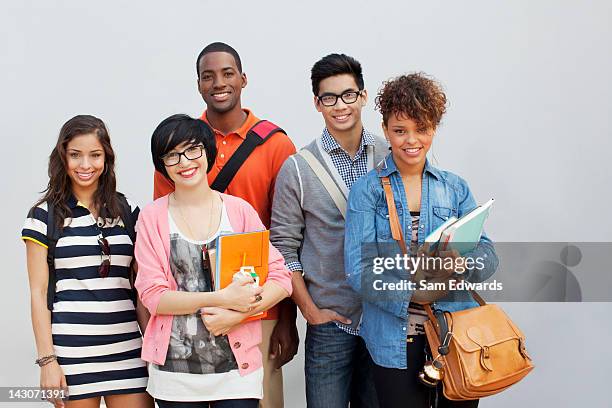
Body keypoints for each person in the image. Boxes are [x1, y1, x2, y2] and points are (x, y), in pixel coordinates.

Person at [152, 43, 298, 407]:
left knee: (262, 397)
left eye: (228, 73)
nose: (219, 82)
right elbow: (157, 248)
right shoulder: (179, 141)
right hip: (183, 319)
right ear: (199, 85)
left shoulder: (275, 144)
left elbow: (287, 238)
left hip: (254, 307)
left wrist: (285, 318)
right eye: (208, 76)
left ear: (243, 79)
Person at [344, 73, 499, 408]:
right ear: (385, 130)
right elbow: (358, 270)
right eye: (400, 131)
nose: (411, 140)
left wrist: (465, 264)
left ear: (434, 128)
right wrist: (413, 293)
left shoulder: (455, 187)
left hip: (455, 335)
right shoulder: (367, 191)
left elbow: (488, 255)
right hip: (393, 340)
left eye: (422, 129)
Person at [270, 53, 384, 407]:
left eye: (348, 94)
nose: (340, 105)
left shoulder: (388, 155)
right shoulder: (298, 169)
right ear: (317, 104)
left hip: (384, 317)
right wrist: (310, 312)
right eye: (329, 98)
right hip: (330, 324)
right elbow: (283, 248)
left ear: (363, 96)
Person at [21, 115, 153, 407]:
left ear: (106, 158)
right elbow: (38, 293)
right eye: (75, 155)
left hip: (128, 348)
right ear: (62, 157)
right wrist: (47, 362)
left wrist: (154, 347)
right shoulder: (43, 216)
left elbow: (143, 286)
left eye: (95, 155)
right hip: (72, 354)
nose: (85, 165)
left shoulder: (128, 211)